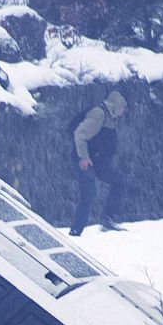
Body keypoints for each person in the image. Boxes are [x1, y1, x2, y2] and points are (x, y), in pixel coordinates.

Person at [69, 90, 128, 236]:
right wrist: (83, 157)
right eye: (123, 108)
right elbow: (79, 134)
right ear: (117, 105)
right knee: (88, 194)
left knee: (119, 181)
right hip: (84, 159)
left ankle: (107, 218)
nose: (123, 112)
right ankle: (76, 232)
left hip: (98, 161)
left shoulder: (111, 118)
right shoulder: (99, 114)